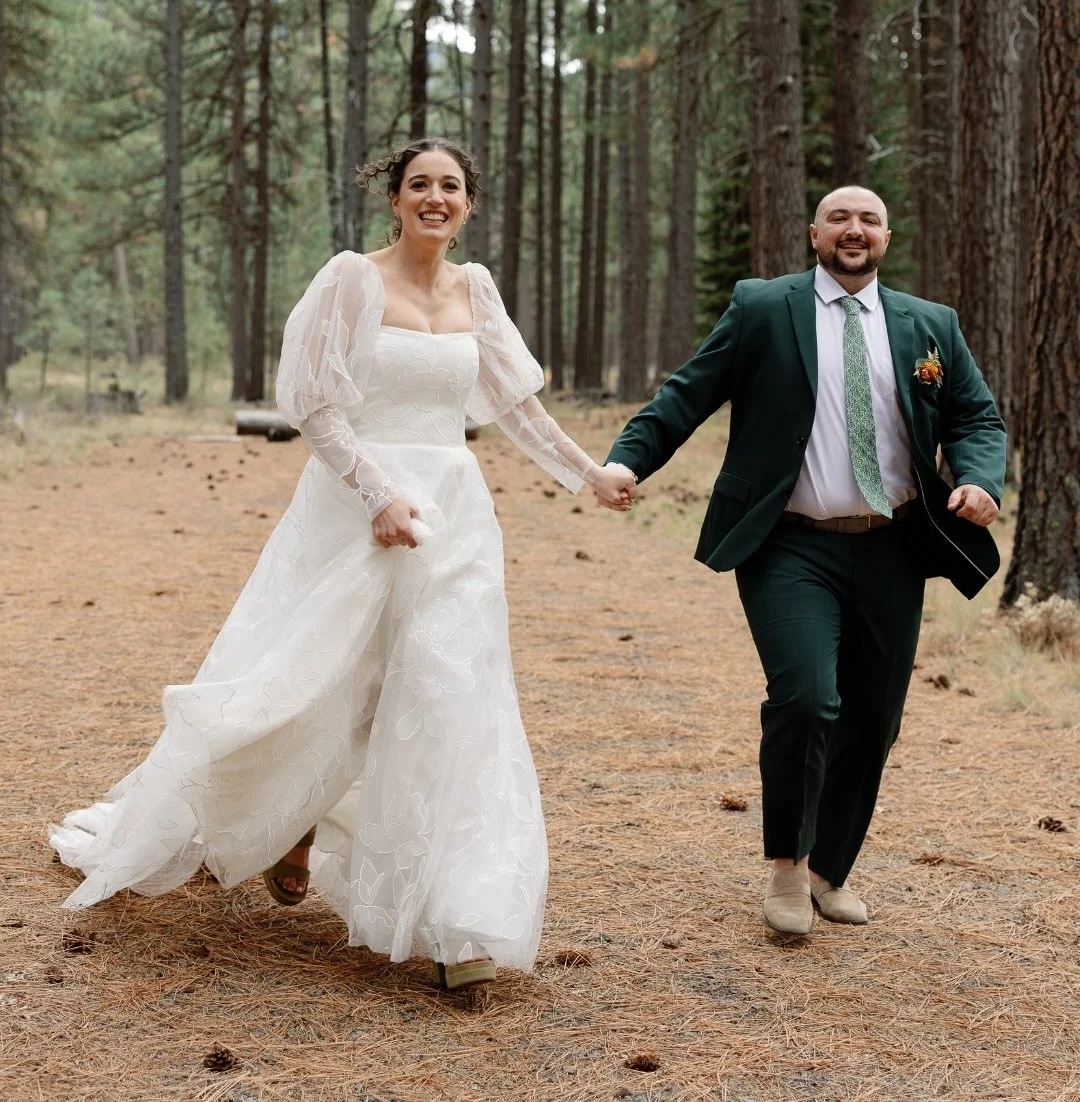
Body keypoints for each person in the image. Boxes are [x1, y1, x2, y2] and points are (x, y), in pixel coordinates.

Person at [50, 138, 632, 990]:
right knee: (324, 681)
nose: (436, 198)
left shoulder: (478, 290)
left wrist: (591, 474)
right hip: (358, 509)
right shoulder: (352, 278)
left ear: (470, 205)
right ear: (394, 198)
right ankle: (293, 822)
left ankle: (456, 921)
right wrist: (377, 496)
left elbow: (517, 405)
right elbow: (314, 405)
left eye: (452, 187)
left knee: (448, 691)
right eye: (420, 185)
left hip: (456, 514)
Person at [603, 187, 1006, 935]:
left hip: (892, 544)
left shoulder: (930, 325)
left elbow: (974, 416)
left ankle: (829, 870)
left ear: (888, 235)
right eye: (840, 219)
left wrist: (980, 478)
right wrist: (629, 461)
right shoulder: (763, 307)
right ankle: (787, 870)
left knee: (874, 718)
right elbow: (687, 393)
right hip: (788, 542)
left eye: (870, 220)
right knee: (807, 699)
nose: (855, 231)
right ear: (815, 232)